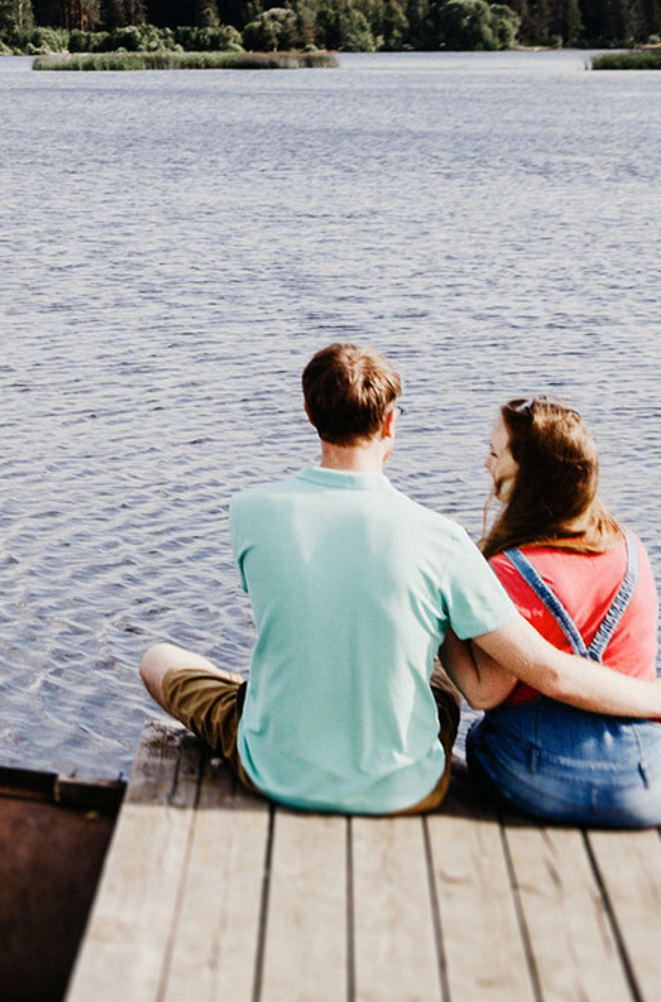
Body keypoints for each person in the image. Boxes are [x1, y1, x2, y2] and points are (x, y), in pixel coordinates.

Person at [138, 343, 661, 813]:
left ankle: (270, 704)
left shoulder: (247, 511)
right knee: (432, 667)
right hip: (405, 788)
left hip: (273, 768)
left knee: (158, 660)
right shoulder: (442, 538)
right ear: (390, 423)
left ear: (308, 414)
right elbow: (546, 674)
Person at [439, 397, 661, 826]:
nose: (486, 465)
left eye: (494, 454)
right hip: (644, 781)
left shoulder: (510, 572)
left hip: (544, 778)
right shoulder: (633, 551)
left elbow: (484, 692)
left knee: (481, 737)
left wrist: (447, 600)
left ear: (527, 475)